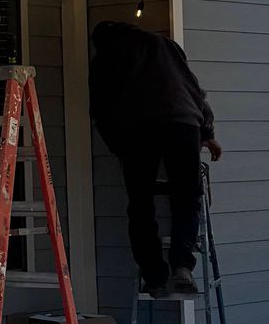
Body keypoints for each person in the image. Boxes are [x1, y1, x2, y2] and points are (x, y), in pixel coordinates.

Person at [88, 20, 222, 296]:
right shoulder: (165, 46)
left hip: (138, 128)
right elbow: (194, 90)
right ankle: (182, 266)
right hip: (182, 123)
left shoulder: (106, 57)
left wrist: (118, 146)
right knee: (187, 197)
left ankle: (154, 274)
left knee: (140, 203)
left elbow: (100, 108)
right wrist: (206, 132)